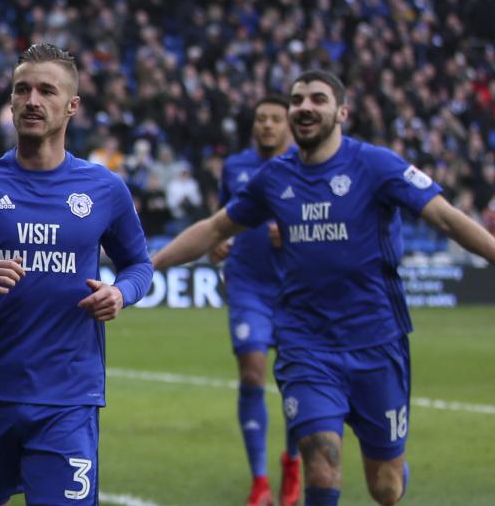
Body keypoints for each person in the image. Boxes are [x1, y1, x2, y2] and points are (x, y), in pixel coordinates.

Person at [151, 70, 495, 506]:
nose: (305, 107)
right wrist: (149, 266)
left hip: (377, 341)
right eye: (298, 100)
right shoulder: (274, 178)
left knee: (385, 488)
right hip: (306, 344)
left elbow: (446, 218)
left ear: (342, 112)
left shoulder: (376, 165)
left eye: (317, 99)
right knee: (321, 464)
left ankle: (394, 467)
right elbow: (216, 226)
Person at [0, 43, 153, 505]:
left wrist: (121, 293)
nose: (32, 101)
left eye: (46, 90)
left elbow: (139, 265)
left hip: (68, 397)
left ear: (72, 106)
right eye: (22, 90)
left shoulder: (104, 189)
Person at [209, 94, 301, 506]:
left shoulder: (306, 164)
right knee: (252, 373)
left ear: (289, 126)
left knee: (299, 378)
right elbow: (221, 219)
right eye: (261, 119)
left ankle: (293, 462)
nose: (266, 125)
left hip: (298, 287)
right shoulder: (235, 167)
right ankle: (260, 481)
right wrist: (217, 246)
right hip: (247, 284)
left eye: (274, 119)